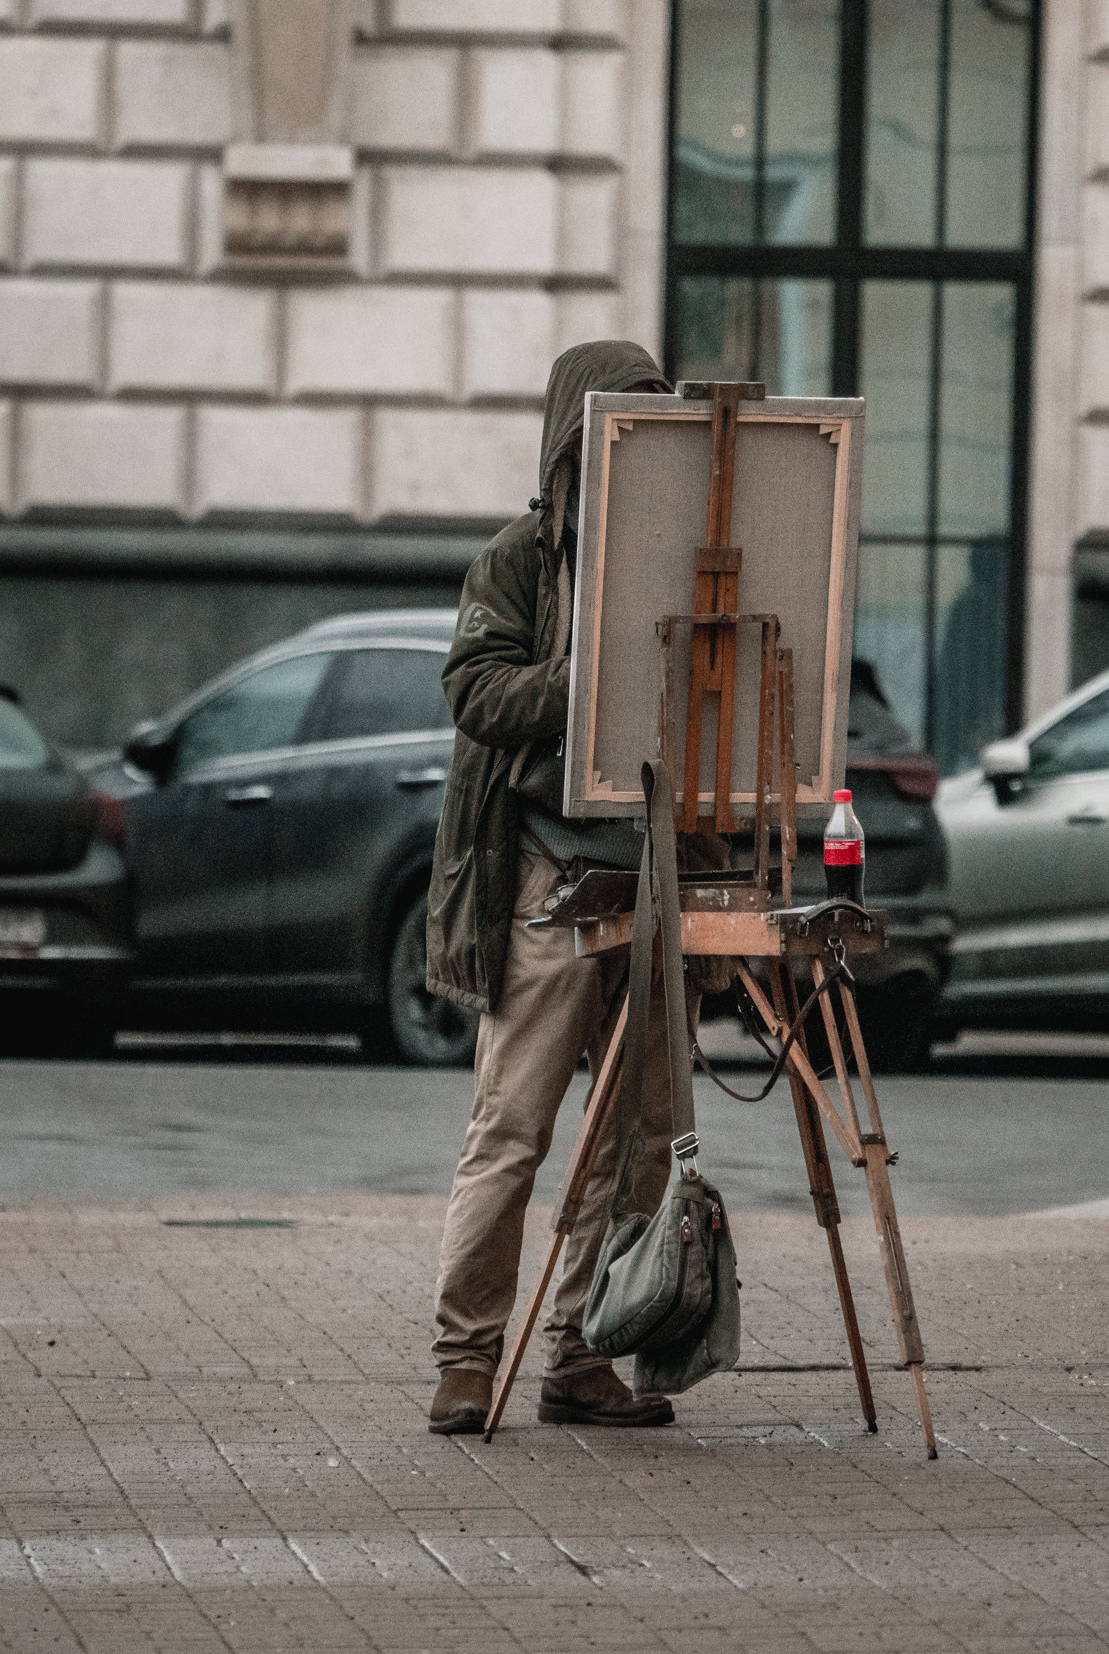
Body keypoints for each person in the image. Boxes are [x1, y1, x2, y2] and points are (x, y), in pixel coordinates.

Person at [421, 341, 717, 1434]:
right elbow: (474, 692)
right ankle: (465, 1357)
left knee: (636, 1144)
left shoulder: (687, 553)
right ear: (571, 443)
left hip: (651, 884)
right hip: (547, 880)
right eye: (613, 434)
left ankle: (581, 1358)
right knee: (512, 1132)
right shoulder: (520, 558)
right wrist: (586, 676)